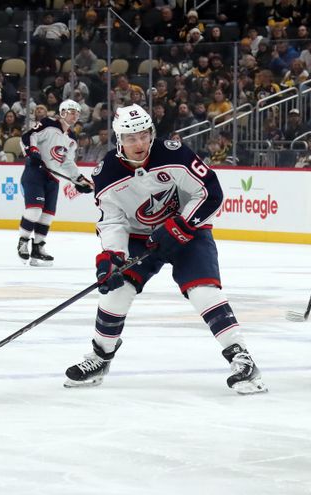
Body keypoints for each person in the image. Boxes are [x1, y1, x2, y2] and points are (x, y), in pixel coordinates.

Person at [63, 104, 267, 395]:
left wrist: (183, 224)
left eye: (144, 135)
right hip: (137, 236)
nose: (140, 144)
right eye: (131, 138)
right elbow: (112, 220)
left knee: (203, 291)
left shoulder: (175, 154)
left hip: (187, 231)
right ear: (119, 140)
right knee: (117, 291)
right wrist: (111, 257)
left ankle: (241, 358)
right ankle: (100, 357)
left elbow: (210, 191)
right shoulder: (106, 173)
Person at [18, 99, 94, 266]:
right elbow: (28, 137)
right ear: (62, 112)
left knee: (47, 216)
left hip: (53, 178)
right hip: (35, 173)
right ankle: (23, 242)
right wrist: (33, 152)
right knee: (34, 211)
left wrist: (79, 180)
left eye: (77, 113)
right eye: (71, 112)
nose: (75, 115)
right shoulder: (48, 124)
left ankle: (38, 248)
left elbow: (67, 163)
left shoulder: (72, 139)